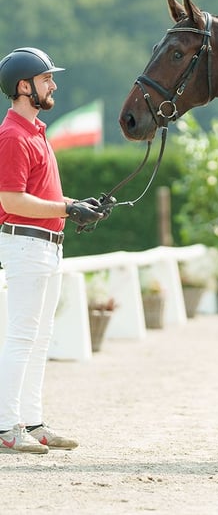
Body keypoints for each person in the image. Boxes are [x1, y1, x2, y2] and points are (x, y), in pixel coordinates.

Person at [0, 47, 104, 454]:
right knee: (22, 336)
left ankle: (33, 421)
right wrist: (65, 207)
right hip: (25, 243)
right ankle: (8, 426)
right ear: (24, 87)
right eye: (46, 80)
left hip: (46, 245)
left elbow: (42, 195)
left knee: (39, 337)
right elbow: (11, 200)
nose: (53, 85)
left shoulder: (35, 132)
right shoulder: (12, 136)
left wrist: (78, 206)